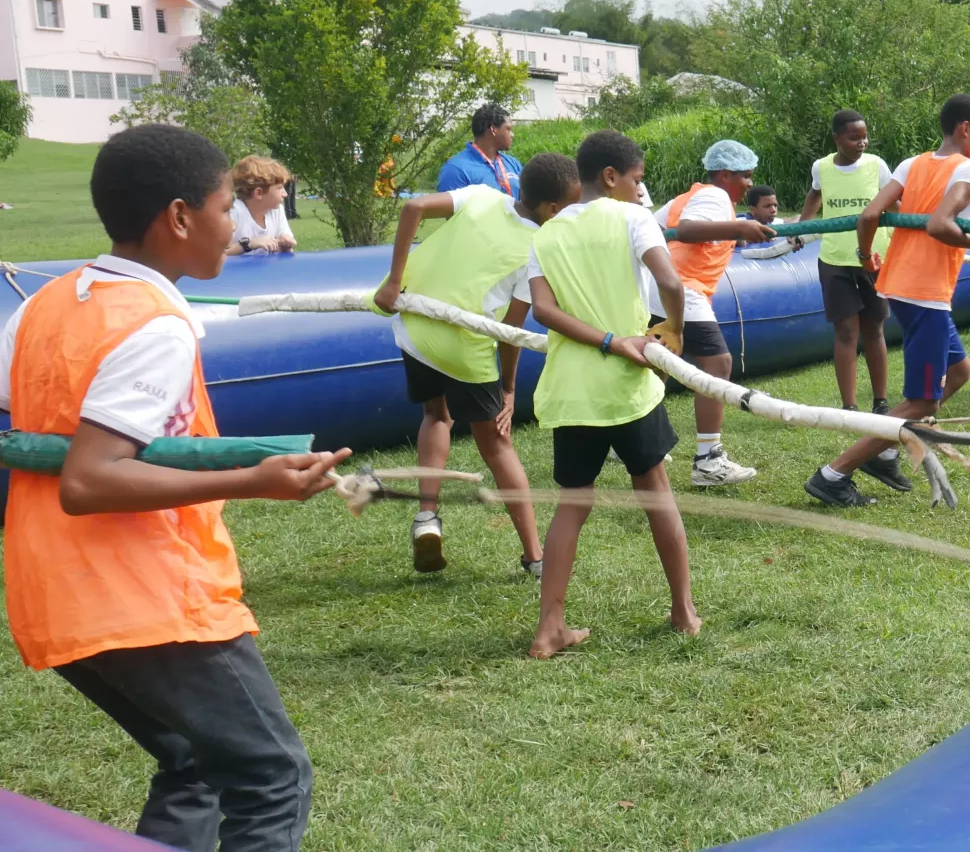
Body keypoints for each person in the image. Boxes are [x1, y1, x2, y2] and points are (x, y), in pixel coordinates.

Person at [0, 124, 351, 852]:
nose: (235, 226)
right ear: (180, 217)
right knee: (270, 777)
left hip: (55, 591)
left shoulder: (46, 303)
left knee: (194, 763)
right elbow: (88, 478)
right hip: (146, 600)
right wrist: (253, 479)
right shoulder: (157, 325)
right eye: (226, 208)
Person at [526, 129, 700, 656]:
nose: (639, 189)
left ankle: (549, 628)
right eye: (636, 179)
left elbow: (543, 311)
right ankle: (683, 611)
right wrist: (672, 330)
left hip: (572, 391)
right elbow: (671, 282)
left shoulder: (546, 234)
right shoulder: (631, 217)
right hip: (626, 387)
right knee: (656, 492)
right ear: (610, 177)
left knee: (572, 504)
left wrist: (604, 341)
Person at [372, 153, 582, 578]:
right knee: (497, 444)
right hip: (464, 350)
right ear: (552, 209)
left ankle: (426, 518)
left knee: (436, 415)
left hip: (415, 328)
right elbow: (511, 331)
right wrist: (509, 389)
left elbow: (413, 207)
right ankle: (534, 556)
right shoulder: (538, 251)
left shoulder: (481, 196)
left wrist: (394, 281)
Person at [804, 94, 970, 507]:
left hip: (900, 284)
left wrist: (866, 257)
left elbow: (868, 216)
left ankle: (886, 451)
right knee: (923, 401)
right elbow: (940, 225)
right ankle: (833, 475)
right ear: (965, 129)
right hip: (926, 293)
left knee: (959, 371)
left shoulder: (912, 164)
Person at [654, 139, 776, 487]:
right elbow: (688, 231)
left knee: (658, 363)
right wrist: (738, 227)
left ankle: (632, 437)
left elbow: (654, 229)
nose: (750, 184)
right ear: (725, 174)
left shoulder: (685, 198)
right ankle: (708, 461)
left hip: (659, 289)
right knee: (718, 364)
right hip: (683, 290)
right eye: (746, 176)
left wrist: (735, 232)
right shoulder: (715, 196)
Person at [797, 109, 894, 414]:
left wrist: (910, 231)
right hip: (835, 260)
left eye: (864, 137)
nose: (861, 143)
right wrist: (801, 227)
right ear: (837, 138)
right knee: (846, 332)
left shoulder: (877, 166)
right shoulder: (822, 167)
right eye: (854, 138)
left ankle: (880, 401)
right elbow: (814, 196)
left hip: (874, 259)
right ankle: (849, 407)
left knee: (874, 329)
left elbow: (895, 203)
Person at [436, 102, 521, 197]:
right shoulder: (456, 169)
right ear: (493, 130)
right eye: (508, 129)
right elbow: (447, 206)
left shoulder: (513, 164)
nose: (512, 135)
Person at [225, 156, 298, 256]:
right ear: (259, 193)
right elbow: (219, 255)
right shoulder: (233, 212)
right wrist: (248, 245)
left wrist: (286, 243)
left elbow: (286, 246)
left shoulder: (276, 210)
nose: (285, 194)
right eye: (279, 188)